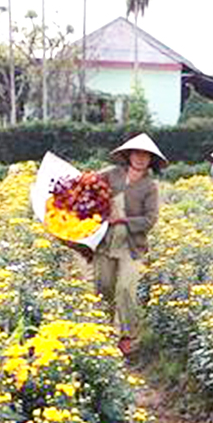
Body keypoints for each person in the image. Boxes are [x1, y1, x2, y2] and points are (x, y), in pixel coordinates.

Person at [75, 132, 165, 355]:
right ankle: (103, 332)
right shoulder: (111, 174)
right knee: (102, 287)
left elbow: (150, 220)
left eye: (145, 155)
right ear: (129, 155)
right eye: (137, 153)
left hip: (132, 247)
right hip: (105, 242)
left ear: (151, 160)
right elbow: (89, 183)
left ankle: (127, 336)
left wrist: (123, 219)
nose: (141, 158)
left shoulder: (149, 186)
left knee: (126, 288)